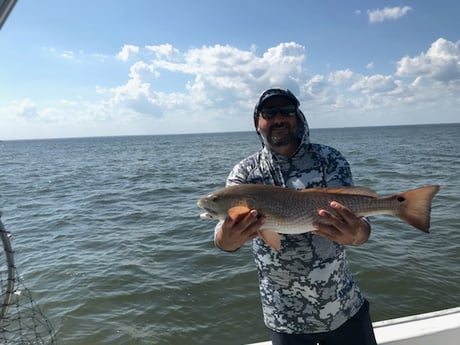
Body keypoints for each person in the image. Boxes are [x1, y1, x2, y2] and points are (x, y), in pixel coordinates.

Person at [214, 88, 378, 345]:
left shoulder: (330, 160)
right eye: (269, 113)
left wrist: (356, 233)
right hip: (285, 319)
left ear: (298, 117)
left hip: (345, 308)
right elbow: (223, 240)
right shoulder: (244, 174)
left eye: (287, 111)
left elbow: (362, 228)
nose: (279, 118)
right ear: (258, 123)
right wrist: (229, 236)